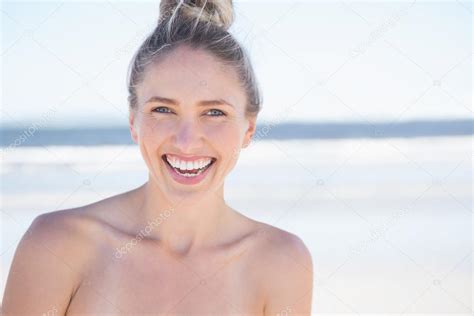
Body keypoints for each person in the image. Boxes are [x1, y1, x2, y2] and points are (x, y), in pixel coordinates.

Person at [2, 0, 313, 314]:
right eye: (163, 110)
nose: (187, 141)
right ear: (133, 122)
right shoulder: (56, 246)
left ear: (248, 129)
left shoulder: (281, 263)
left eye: (214, 112)